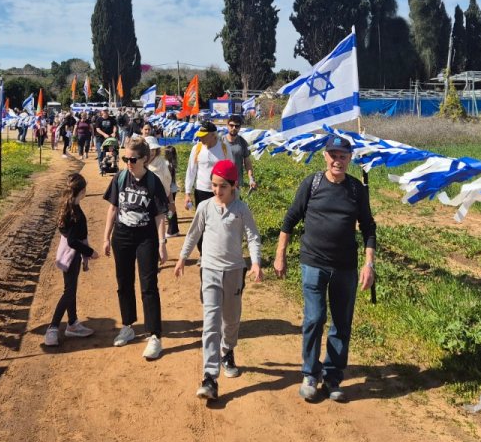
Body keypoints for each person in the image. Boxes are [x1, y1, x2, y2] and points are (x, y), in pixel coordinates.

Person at [274, 135, 376, 403]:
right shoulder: (312, 183)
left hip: (345, 268)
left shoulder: (356, 190)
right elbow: (290, 219)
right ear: (325, 156)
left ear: (350, 159)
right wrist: (280, 254)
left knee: (341, 324)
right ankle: (310, 373)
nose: (337, 160)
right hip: (313, 263)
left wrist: (369, 264)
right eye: (333, 154)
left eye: (343, 156)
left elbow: (368, 228)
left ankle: (332, 377)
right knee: (314, 318)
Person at [174, 160, 261, 401]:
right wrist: (182, 258)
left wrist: (255, 262)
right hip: (209, 270)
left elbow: (252, 237)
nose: (217, 191)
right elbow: (193, 235)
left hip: (234, 271)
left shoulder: (241, 209)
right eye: (214, 185)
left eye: (222, 186)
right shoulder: (204, 207)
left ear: (233, 186)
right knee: (211, 322)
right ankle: (209, 377)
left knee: (231, 320)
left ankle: (227, 350)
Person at [103, 137, 169, 360]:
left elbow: (160, 215)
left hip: (146, 238)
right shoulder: (120, 178)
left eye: (132, 159)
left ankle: (154, 336)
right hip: (122, 237)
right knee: (124, 283)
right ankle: (128, 326)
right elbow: (113, 209)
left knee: (148, 286)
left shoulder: (153, 182)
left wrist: (162, 244)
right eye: (125, 159)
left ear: (145, 158)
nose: (128, 163)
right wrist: (105, 238)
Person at [44, 173, 98, 346]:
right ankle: (52, 328)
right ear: (82, 191)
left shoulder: (67, 206)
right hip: (71, 255)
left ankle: (73, 323)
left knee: (71, 289)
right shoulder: (75, 213)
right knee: (68, 292)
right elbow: (73, 241)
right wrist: (90, 251)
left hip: (65, 253)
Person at [222, 114, 257, 192]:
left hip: (236, 183)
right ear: (227, 125)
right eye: (231, 125)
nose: (234, 128)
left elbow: (247, 162)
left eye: (237, 126)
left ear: (240, 128)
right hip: (221, 181)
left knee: (235, 203)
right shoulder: (220, 141)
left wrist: (251, 179)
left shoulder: (242, 142)